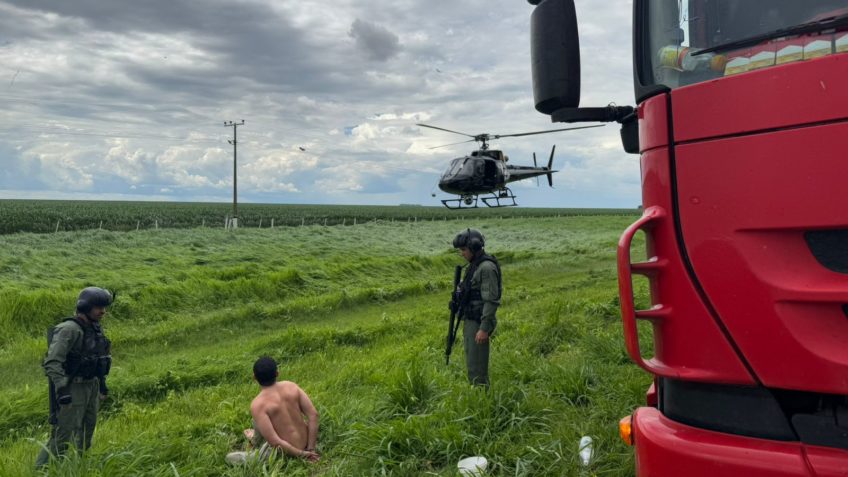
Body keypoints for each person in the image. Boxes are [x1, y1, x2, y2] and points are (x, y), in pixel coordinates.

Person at [36, 287, 113, 468]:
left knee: (87, 431)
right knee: (63, 435)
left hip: (91, 386)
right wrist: (62, 390)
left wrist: (102, 385)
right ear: (85, 307)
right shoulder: (69, 329)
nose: (103, 311)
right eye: (98, 307)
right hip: (73, 387)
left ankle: (80, 467)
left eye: (104, 307)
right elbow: (52, 362)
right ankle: (43, 471)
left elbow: (98, 358)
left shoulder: (94, 327)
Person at [226, 357, 320, 465]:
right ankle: (255, 438)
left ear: (254, 377)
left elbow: (275, 442)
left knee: (229, 458)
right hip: (306, 441)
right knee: (257, 420)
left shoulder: (258, 404)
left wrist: (302, 454)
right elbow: (313, 415)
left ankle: (255, 440)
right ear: (277, 373)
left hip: (284, 452)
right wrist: (311, 449)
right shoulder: (291, 386)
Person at [453, 229, 502, 386]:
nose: (462, 254)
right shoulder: (474, 265)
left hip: (479, 321)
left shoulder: (486, 268)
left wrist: (484, 328)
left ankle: (482, 400)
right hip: (472, 319)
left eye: (464, 250)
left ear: (474, 247)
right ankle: (478, 394)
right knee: (472, 361)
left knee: (477, 367)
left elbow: (491, 300)